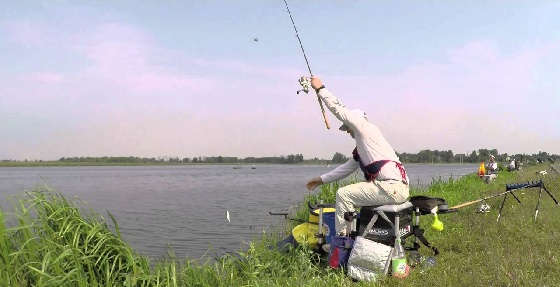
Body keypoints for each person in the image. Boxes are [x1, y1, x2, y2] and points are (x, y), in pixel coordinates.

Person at [304, 76, 409, 236]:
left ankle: (342, 241)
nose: (347, 131)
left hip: (391, 188)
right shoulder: (364, 147)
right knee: (349, 196)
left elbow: (340, 110)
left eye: (347, 127)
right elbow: (345, 169)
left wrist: (320, 89)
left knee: (344, 194)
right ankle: (354, 236)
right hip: (395, 188)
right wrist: (319, 180)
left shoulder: (365, 127)